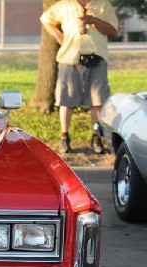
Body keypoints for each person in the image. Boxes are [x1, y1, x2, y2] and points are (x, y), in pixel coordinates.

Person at [40, 0, 118, 154]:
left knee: (97, 101)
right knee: (66, 100)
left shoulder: (103, 5)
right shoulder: (65, 5)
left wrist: (93, 20)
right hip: (69, 58)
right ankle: (64, 137)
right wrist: (57, 34)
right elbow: (45, 18)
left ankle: (96, 138)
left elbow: (114, 31)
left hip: (97, 58)